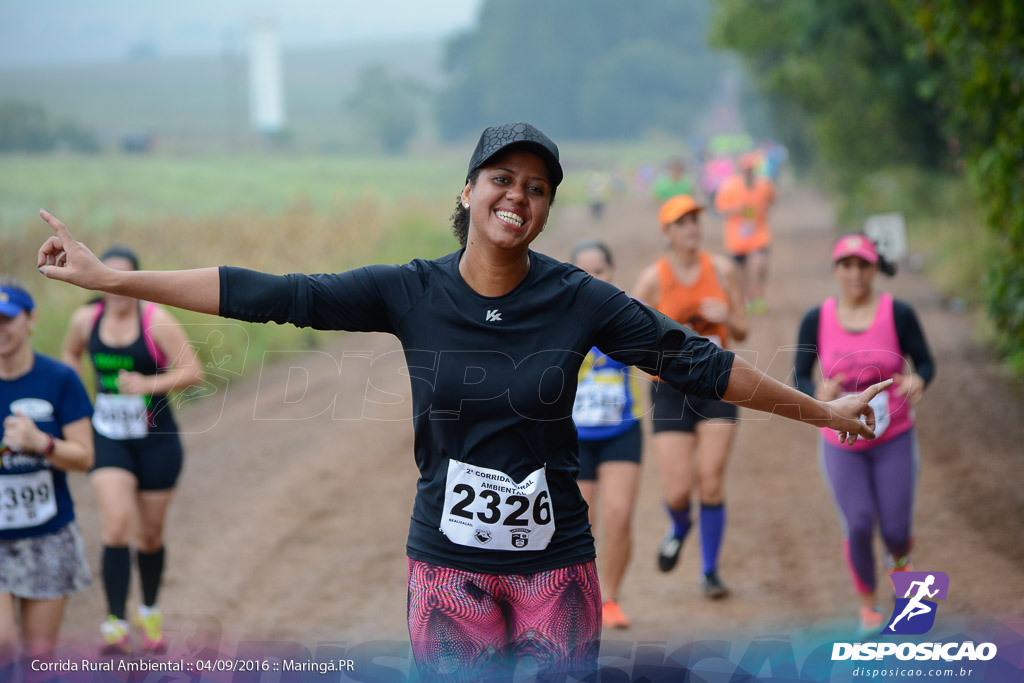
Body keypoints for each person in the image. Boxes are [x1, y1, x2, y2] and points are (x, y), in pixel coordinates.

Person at [37, 122, 888, 682]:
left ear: (548, 208)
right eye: (502, 178)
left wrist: (824, 410)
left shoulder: (581, 300)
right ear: (469, 189)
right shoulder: (411, 291)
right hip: (446, 566)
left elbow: (700, 364)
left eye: (537, 187)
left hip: (556, 566)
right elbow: (271, 292)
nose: (518, 195)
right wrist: (112, 277)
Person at [61, 246, 204, 655]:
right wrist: (76, 398)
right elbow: (70, 355)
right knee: (116, 527)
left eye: (126, 279)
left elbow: (193, 371)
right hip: (107, 437)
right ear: (99, 281)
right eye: (110, 277)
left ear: (137, 282)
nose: (117, 287)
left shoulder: (155, 320)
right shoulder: (85, 321)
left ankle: (150, 609)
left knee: (150, 536)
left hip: (157, 441)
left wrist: (147, 385)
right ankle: (115, 624)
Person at [794, 234, 934, 636]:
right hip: (842, 441)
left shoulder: (898, 313)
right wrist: (816, 391)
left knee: (895, 529)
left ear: (875, 269)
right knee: (857, 523)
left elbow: (925, 363)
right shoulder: (816, 318)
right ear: (837, 270)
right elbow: (800, 376)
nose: (855, 273)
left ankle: (903, 575)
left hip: (895, 436)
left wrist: (917, 380)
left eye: (863, 265)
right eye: (847, 265)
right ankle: (868, 608)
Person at [633, 195, 749, 599]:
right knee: (678, 491)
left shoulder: (723, 269)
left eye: (695, 221)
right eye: (681, 223)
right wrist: (655, 364)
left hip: (718, 384)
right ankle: (680, 527)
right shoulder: (653, 279)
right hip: (670, 392)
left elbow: (744, 328)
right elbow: (628, 337)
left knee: (711, 482)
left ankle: (710, 571)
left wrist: (727, 318)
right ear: (667, 233)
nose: (691, 229)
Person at [0, 277, 94, 661]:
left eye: (7, 318)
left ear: (30, 319)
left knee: (39, 659)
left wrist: (42, 443)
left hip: (48, 536)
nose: (0, 329)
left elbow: (86, 457)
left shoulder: (59, 380)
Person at [569, 240, 645, 629]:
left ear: (613, 272)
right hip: (575, 437)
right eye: (585, 272)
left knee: (618, 515)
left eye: (601, 270)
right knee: (583, 524)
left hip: (621, 431)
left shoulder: (626, 316)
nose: (594, 278)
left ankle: (610, 599)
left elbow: (658, 358)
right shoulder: (560, 319)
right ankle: (582, 602)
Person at [714, 153, 776, 314]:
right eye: (745, 170)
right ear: (740, 170)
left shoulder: (764, 186)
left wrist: (764, 211)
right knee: (739, 274)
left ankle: (757, 296)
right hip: (736, 239)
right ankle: (745, 299)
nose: (748, 173)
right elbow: (720, 208)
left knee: (758, 264)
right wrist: (736, 210)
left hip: (758, 236)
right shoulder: (730, 187)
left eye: (751, 170)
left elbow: (772, 199)